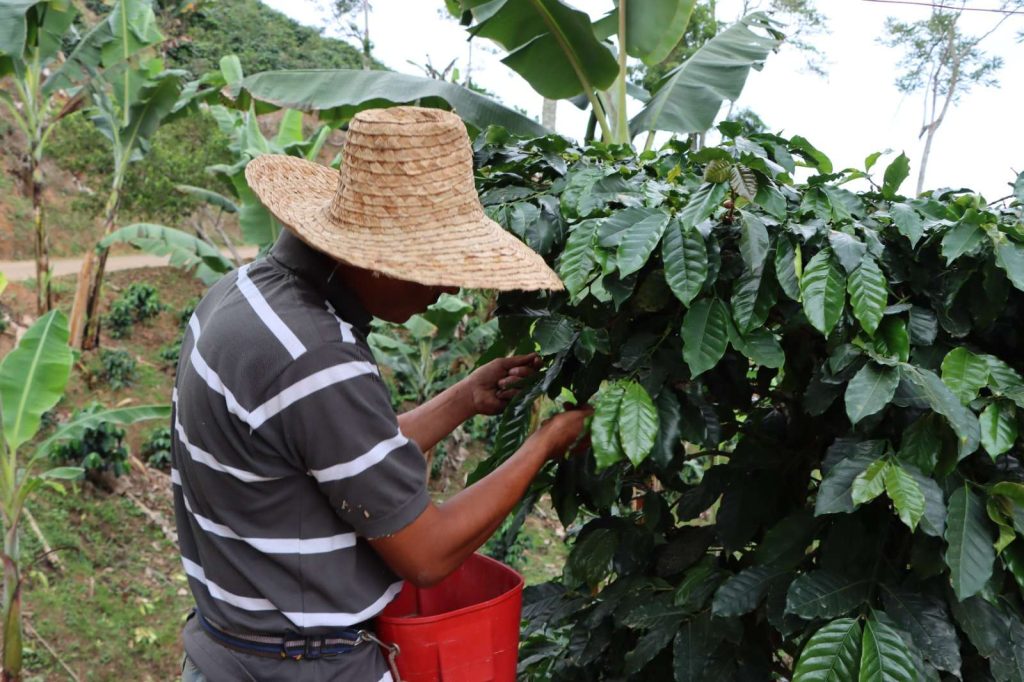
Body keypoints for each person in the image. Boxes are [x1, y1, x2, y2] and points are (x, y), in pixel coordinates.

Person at [172, 106, 589, 681]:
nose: (447, 286)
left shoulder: (241, 294)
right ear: (374, 260)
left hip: (223, 654)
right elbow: (429, 554)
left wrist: (463, 398)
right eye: (433, 265)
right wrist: (545, 442)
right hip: (303, 669)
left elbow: (335, 457)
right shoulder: (316, 355)